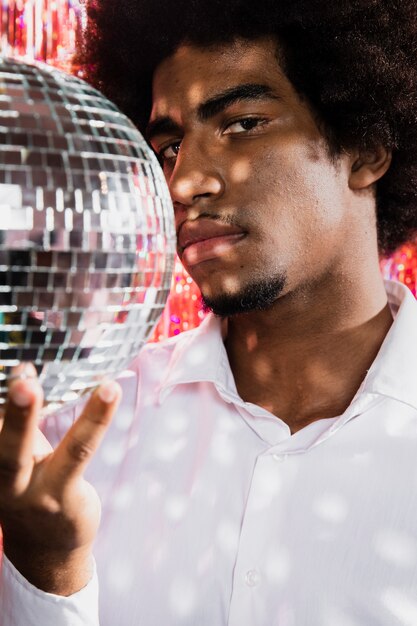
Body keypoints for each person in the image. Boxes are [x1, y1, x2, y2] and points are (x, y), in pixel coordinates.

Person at [1, 0, 417, 624]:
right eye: (166, 148)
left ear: (365, 147)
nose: (183, 183)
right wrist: (50, 573)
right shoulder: (71, 443)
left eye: (243, 123)